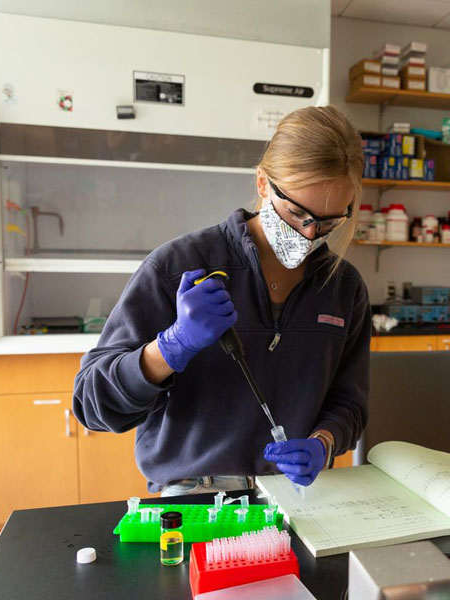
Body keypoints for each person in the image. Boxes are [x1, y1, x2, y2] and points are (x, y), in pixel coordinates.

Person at [72, 106, 370, 496]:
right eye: (297, 213)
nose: (310, 233)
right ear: (263, 183)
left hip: (293, 497)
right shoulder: (177, 267)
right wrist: (171, 347)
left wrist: (324, 442)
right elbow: (93, 406)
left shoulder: (343, 288)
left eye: (330, 221)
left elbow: (350, 402)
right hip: (194, 498)